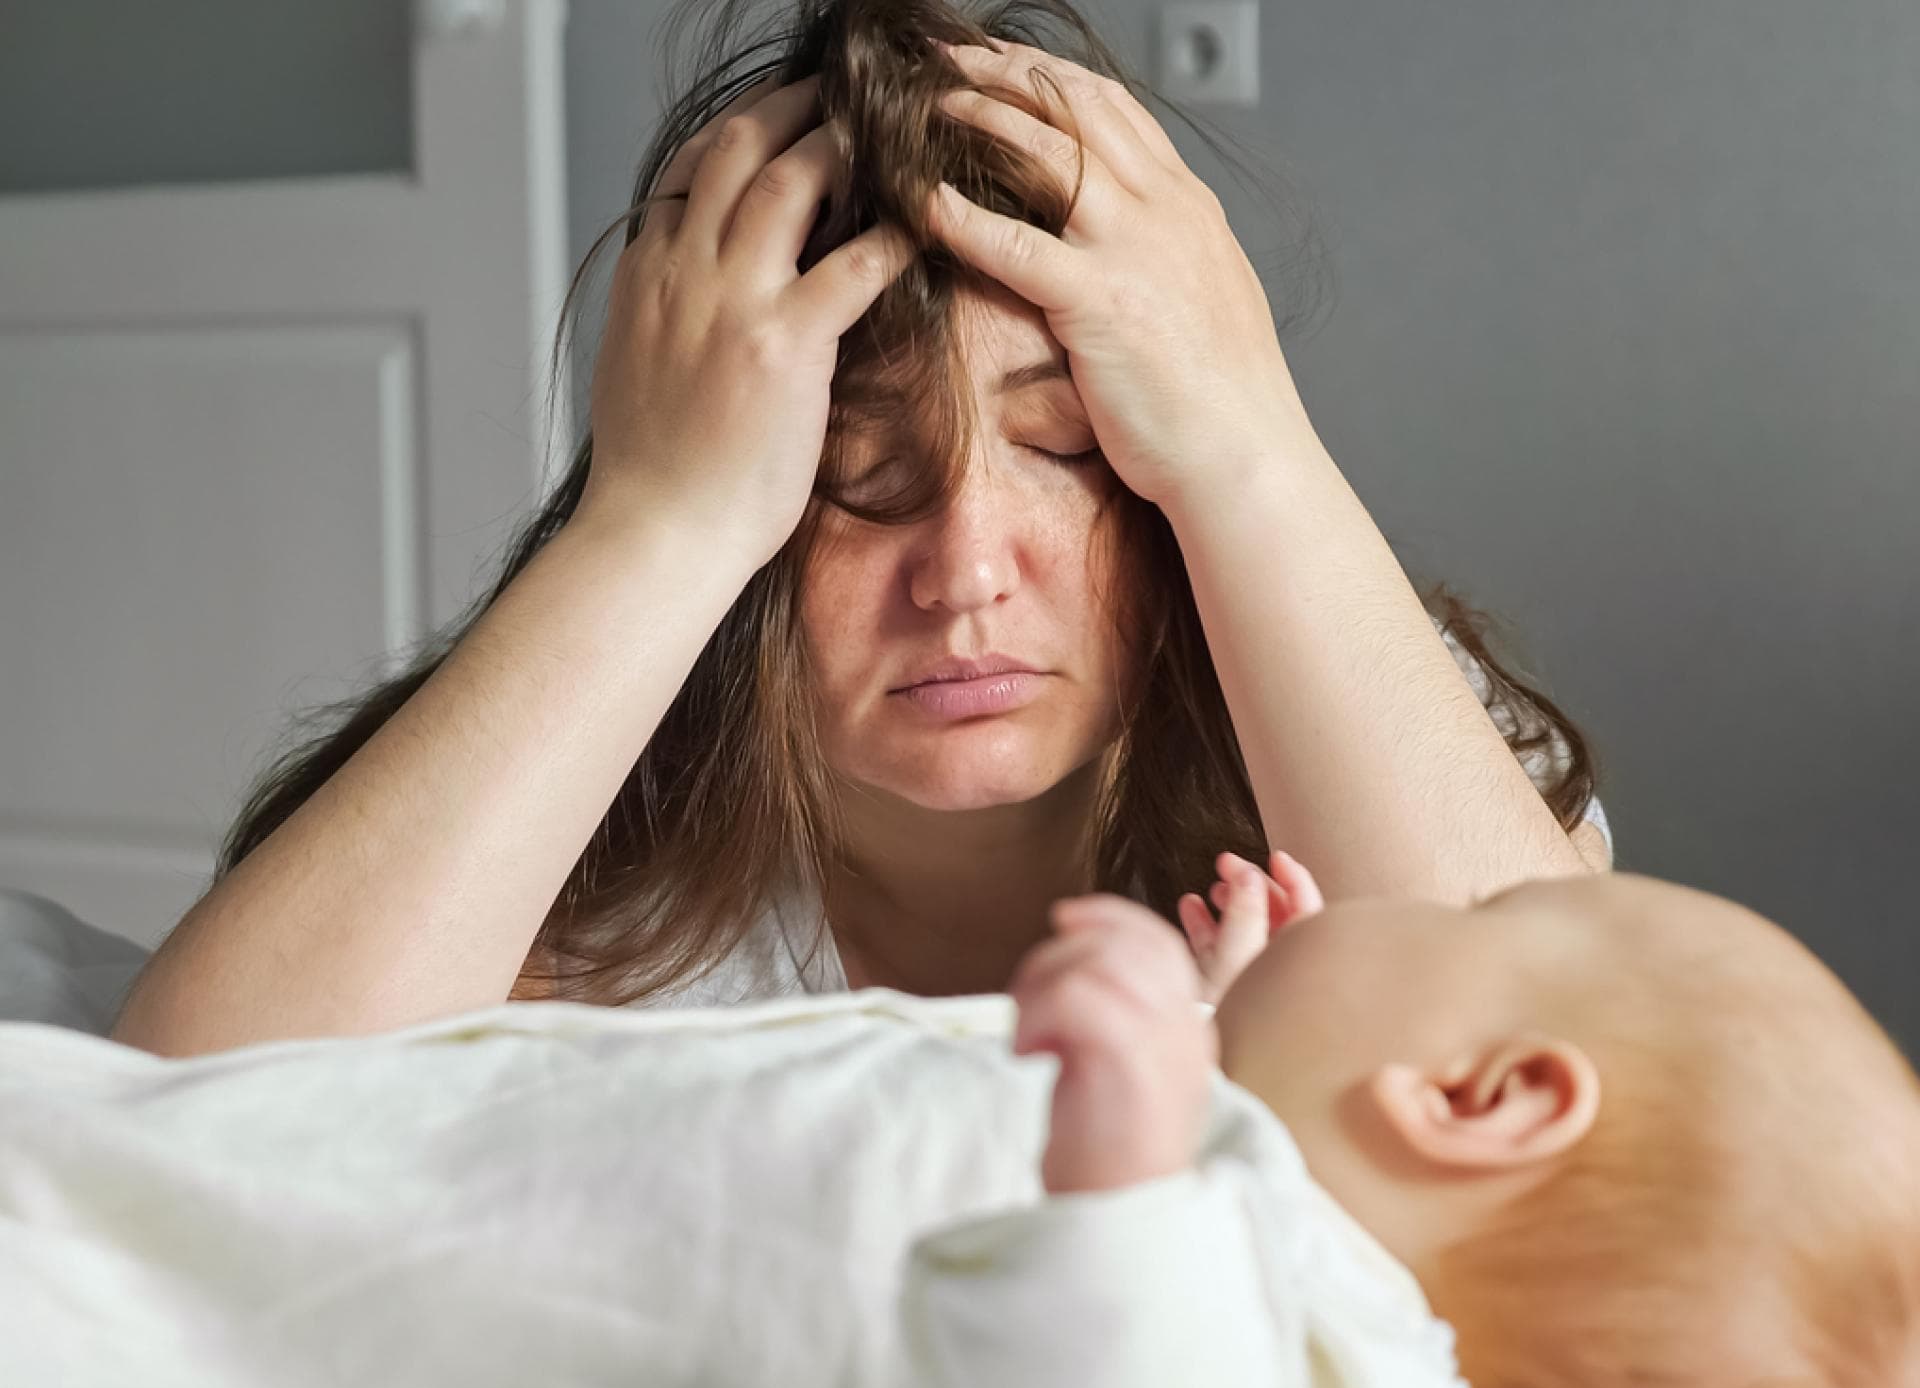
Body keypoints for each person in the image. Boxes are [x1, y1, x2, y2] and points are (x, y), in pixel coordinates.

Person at [108, 0, 1611, 1059]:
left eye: (1066, 447)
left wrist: (1254, 444)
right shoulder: (600, 871)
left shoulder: (1360, 710)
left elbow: (1588, 1076)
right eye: (857, 475)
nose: (965, 574)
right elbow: (193, 1112)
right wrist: (657, 520)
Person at [909, 855, 1920, 1388]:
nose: (1424, 897)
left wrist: (1126, 1180)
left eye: (1476, 911)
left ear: (1477, 1097)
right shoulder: (1297, 1277)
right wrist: (1238, 1018)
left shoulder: (1290, 1355)